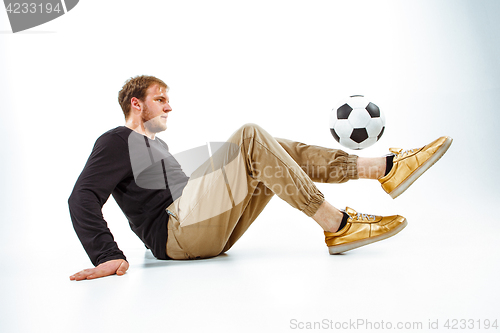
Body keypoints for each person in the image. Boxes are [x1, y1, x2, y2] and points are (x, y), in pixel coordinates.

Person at [68, 75, 452, 281]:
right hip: (176, 234)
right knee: (251, 136)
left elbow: (186, 193)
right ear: (136, 103)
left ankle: (383, 168)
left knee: (271, 149)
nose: (169, 105)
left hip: (199, 229)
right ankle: (338, 224)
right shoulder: (117, 140)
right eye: (160, 98)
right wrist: (107, 255)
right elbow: (82, 196)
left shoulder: (158, 149)